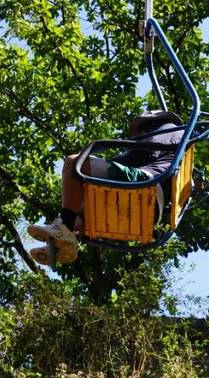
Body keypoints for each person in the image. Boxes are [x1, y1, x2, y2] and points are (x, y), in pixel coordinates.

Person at [27, 109, 185, 265]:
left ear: (149, 123)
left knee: (75, 162)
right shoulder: (180, 147)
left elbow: (142, 154)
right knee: (79, 205)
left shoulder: (167, 128)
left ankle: (65, 227)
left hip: (145, 185)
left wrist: (111, 162)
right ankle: (60, 244)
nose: (137, 136)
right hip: (151, 210)